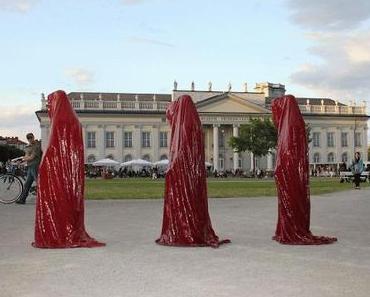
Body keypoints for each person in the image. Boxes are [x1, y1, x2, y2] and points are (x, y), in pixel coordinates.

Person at [33, 90, 105, 248]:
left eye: (50, 103)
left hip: (53, 169)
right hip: (69, 173)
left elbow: (52, 147)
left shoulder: (60, 120)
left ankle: (56, 231)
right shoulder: (74, 120)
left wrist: (45, 164)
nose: (49, 107)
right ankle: (67, 229)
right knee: (67, 200)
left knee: (55, 201)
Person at [156, 95, 230, 247]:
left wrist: (173, 168)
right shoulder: (196, 125)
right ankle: (195, 228)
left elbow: (179, 153)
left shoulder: (182, 126)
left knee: (182, 202)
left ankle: (183, 230)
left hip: (181, 174)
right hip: (194, 176)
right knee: (193, 202)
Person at [271, 95, 337, 245]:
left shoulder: (288, 126)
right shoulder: (294, 124)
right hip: (291, 174)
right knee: (291, 203)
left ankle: (291, 229)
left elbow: (286, 153)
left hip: (288, 174)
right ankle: (291, 227)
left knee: (289, 203)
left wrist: (280, 170)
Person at [16, 133, 42, 204]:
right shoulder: (29, 146)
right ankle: (22, 199)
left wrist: (22, 159)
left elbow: (32, 157)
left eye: (31, 137)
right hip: (30, 166)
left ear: (33, 137)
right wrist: (22, 160)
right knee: (27, 184)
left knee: (39, 183)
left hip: (35, 166)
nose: (30, 139)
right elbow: (27, 155)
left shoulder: (37, 145)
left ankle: (43, 199)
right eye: (28, 138)